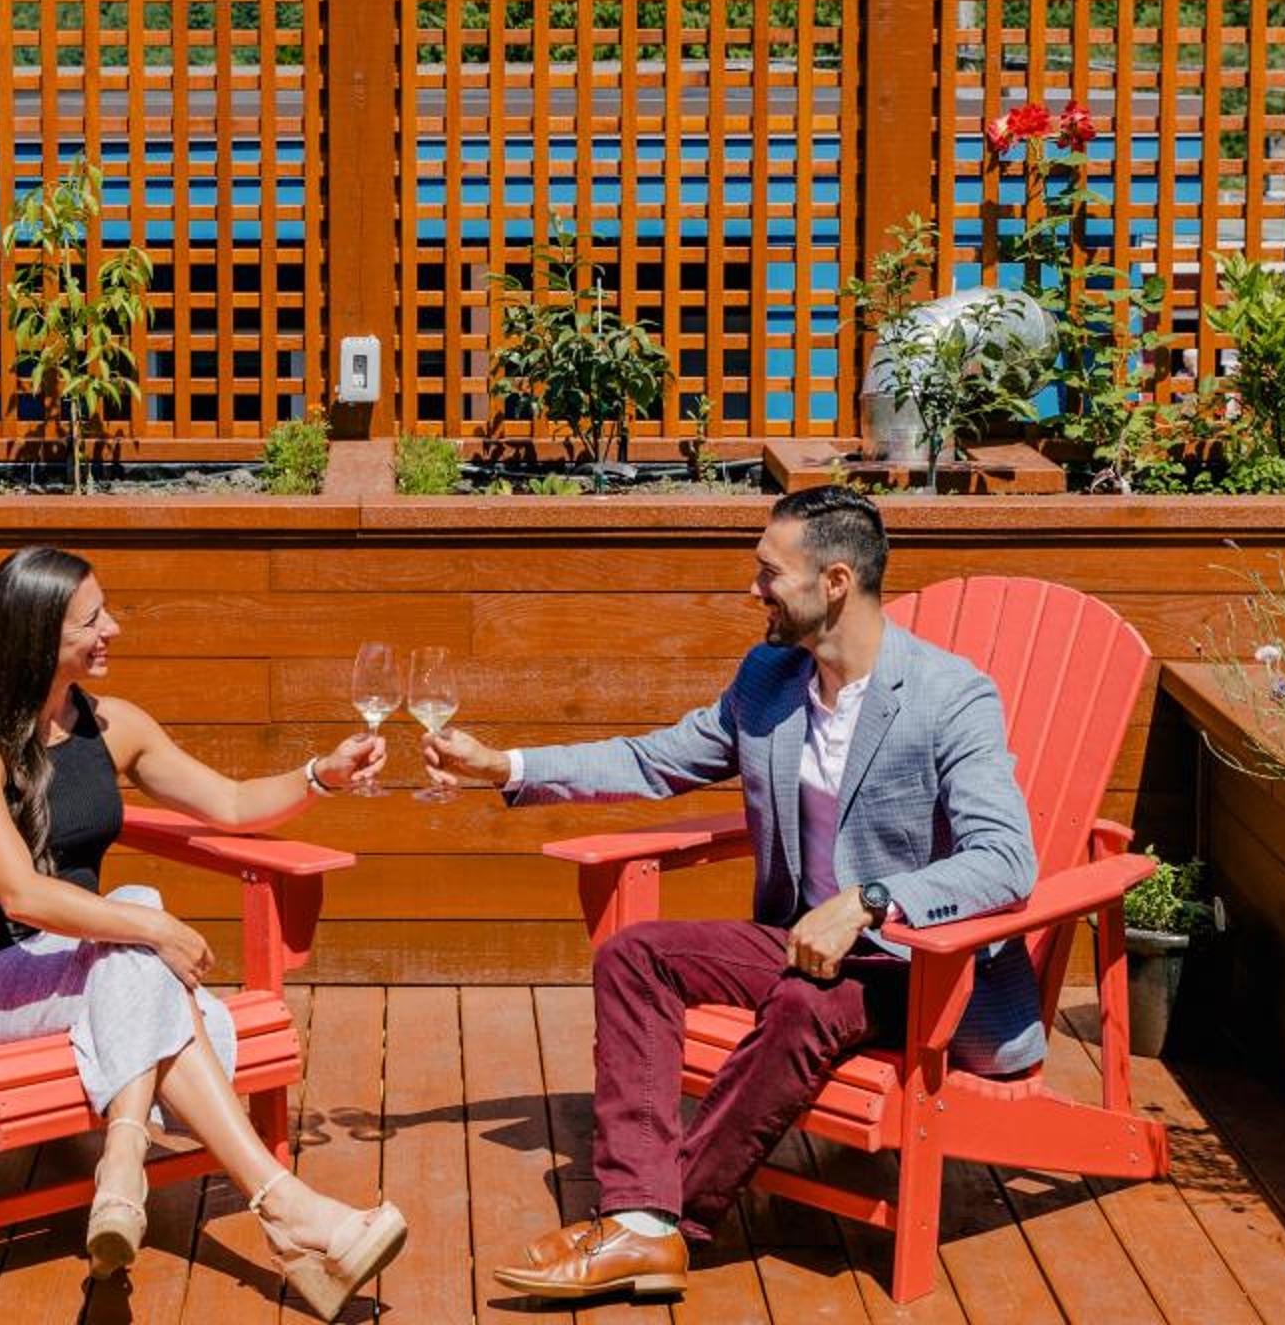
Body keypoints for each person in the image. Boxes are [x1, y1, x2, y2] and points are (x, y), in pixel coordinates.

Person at [421, 484, 1046, 1302]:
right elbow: (656, 760)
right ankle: (641, 1215)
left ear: (835, 582)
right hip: (801, 944)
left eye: (770, 574)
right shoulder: (771, 678)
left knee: (804, 1004)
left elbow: (1005, 859)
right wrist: (504, 766)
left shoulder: (949, 696)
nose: (753, 590)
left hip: (920, 967)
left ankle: (656, 1228)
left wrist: (870, 900)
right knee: (636, 956)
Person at [0, 544, 409, 1318]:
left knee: (133, 938)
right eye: (92, 620)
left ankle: (126, 1163)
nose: (113, 630)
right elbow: (20, 894)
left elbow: (229, 803)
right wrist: (150, 925)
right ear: (38, 636)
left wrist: (320, 775)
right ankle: (285, 1211)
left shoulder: (113, 724)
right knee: (139, 921)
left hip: (93, 966)